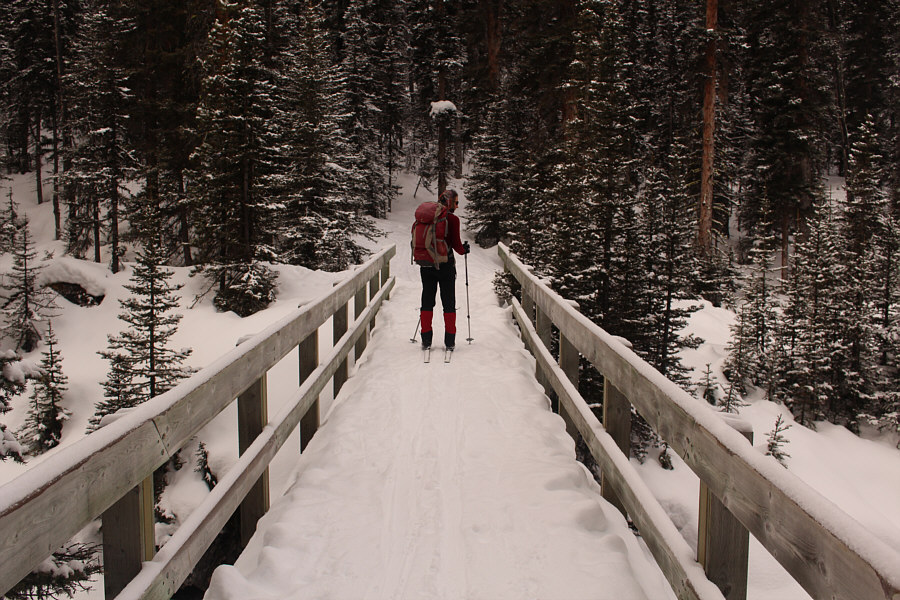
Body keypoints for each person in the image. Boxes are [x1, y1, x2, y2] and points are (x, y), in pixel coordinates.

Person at [420, 189, 470, 350]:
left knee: (427, 301)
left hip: (426, 264)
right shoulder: (453, 219)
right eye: (456, 202)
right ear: (449, 203)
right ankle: (450, 341)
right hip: (446, 266)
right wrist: (464, 250)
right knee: (448, 303)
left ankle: (426, 339)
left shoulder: (426, 217)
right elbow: (456, 244)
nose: (457, 205)